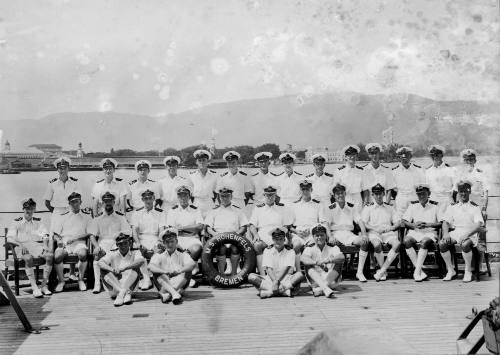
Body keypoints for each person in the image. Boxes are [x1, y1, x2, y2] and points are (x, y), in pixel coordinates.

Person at [320, 183, 370, 282]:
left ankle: (359, 272)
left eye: (342, 193)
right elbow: (326, 225)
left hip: (349, 234)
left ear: (345, 193)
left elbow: (360, 221)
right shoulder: (330, 208)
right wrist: (330, 237)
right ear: (334, 196)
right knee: (332, 244)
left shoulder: (352, 207)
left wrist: (364, 234)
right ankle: (337, 272)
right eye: (337, 194)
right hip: (336, 234)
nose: (340, 195)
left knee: (364, 242)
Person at [440, 180, 485, 282]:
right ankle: (451, 270)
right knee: (442, 244)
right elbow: (445, 222)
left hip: (471, 233)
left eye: (465, 191)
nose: (463, 194)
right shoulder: (453, 207)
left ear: (469, 192)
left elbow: (478, 224)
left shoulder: (474, 207)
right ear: (458, 192)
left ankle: (468, 271)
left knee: (465, 245)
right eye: (461, 191)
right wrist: (446, 233)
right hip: (456, 232)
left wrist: (467, 234)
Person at [7, 198, 52, 298]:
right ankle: (34, 287)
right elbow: (9, 238)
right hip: (21, 247)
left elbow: (45, 235)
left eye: (31, 208)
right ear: (23, 209)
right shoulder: (16, 222)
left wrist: (45, 244)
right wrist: (20, 245)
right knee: (28, 258)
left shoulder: (38, 222)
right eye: (27, 208)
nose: (29, 211)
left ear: (34, 209)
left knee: (49, 256)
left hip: (35, 246)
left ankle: (44, 286)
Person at [88, 191, 132, 293]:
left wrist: (119, 239)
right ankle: (97, 284)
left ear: (114, 202)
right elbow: (92, 235)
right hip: (102, 243)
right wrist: (96, 246)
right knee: (97, 256)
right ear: (102, 203)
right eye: (105, 201)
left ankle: (119, 281)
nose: (108, 203)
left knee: (117, 256)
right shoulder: (97, 218)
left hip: (117, 243)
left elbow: (127, 232)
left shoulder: (120, 217)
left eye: (110, 201)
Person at [247, 227, 304, 298]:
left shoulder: (290, 251)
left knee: (300, 275)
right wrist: (275, 282)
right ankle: (285, 292)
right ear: (272, 240)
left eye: (280, 239)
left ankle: (270, 292)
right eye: (276, 239)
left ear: (284, 240)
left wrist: (276, 281)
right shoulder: (267, 250)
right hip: (271, 279)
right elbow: (268, 269)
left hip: (285, 279)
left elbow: (286, 268)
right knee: (251, 277)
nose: (278, 242)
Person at [52, 192, 92, 292]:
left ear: (80, 202)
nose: (75, 204)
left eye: (77, 202)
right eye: (72, 202)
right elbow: (55, 234)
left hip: (79, 242)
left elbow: (90, 232)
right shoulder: (62, 216)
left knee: (83, 254)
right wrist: (59, 240)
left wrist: (75, 238)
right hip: (65, 243)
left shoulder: (86, 216)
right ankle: (61, 281)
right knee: (57, 256)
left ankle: (81, 280)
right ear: (69, 204)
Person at [249, 186, 293, 275]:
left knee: (284, 244)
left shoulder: (282, 208)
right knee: (258, 245)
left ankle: (283, 274)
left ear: (275, 196)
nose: (269, 197)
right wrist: (256, 235)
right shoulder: (258, 208)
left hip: (278, 233)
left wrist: (283, 234)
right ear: (264, 195)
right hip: (263, 233)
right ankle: (263, 275)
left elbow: (285, 225)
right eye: (267, 195)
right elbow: (252, 225)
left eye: (272, 195)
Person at [401, 184, 441, 281]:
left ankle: (417, 271)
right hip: (416, 231)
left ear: (429, 194)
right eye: (419, 194)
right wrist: (414, 225)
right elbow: (404, 221)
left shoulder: (435, 206)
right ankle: (420, 272)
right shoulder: (413, 205)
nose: (421, 196)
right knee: (406, 241)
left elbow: (441, 223)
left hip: (429, 232)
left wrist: (428, 225)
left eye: (423, 194)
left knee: (424, 242)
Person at [205, 186, 249, 275]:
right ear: (219, 197)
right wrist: (215, 234)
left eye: (227, 196)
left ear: (231, 197)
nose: (224, 198)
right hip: (218, 238)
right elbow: (208, 228)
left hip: (234, 238)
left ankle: (234, 274)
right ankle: (221, 274)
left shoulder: (238, 210)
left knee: (235, 249)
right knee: (221, 249)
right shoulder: (214, 211)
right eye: (222, 196)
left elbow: (244, 227)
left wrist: (235, 235)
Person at [361, 184, 401, 281]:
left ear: (384, 194)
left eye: (380, 194)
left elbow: (397, 222)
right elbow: (364, 223)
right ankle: (383, 270)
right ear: (373, 195)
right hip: (374, 233)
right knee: (377, 245)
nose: (378, 196)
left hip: (387, 232)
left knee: (397, 244)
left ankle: (382, 270)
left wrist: (391, 228)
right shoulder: (368, 207)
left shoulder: (390, 207)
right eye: (376, 194)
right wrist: (374, 229)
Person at [130, 189, 167, 290]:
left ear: (154, 198)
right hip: (141, 238)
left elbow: (162, 230)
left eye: (150, 198)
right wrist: (138, 243)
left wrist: (159, 242)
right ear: (142, 199)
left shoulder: (160, 212)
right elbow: (134, 230)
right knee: (139, 252)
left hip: (155, 238)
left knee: (159, 251)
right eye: (145, 198)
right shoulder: (137, 213)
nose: (148, 200)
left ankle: (156, 277)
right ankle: (146, 278)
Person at [148, 228, 196, 304]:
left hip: (179, 282)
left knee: (188, 270)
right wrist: (165, 272)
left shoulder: (182, 254)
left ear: (176, 242)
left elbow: (192, 264)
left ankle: (169, 294)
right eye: (167, 242)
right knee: (156, 271)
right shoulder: (159, 255)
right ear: (163, 243)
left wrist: (178, 271)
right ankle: (175, 293)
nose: (170, 244)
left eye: (172, 241)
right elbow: (150, 267)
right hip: (164, 283)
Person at [97, 233, 145, 307]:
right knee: (103, 269)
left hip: (131, 288)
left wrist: (125, 268)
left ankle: (121, 294)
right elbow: (100, 262)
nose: (123, 246)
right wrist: (112, 269)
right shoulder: (112, 253)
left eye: (125, 243)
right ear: (117, 245)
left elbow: (141, 261)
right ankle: (122, 292)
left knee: (136, 266)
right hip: (115, 288)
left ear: (129, 243)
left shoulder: (135, 252)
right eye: (120, 244)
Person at [301, 224, 345, 298]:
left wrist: (328, 261)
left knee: (339, 262)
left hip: (331, 280)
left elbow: (342, 257)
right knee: (307, 264)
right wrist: (316, 262)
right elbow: (303, 258)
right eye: (317, 236)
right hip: (315, 280)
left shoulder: (333, 246)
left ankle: (321, 288)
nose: (319, 237)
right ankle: (325, 288)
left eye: (322, 235)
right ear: (313, 237)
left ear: (326, 236)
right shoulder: (309, 247)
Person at [165, 185, 204, 270]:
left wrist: (182, 228)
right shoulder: (172, 211)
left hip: (192, 238)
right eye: (180, 196)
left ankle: (193, 266)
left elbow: (200, 226)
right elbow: (171, 229)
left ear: (189, 197)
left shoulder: (196, 210)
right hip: (177, 238)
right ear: (177, 197)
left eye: (185, 195)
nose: (183, 198)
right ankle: (184, 268)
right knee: (171, 246)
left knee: (196, 249)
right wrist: (192, 228)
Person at [289, 180, 321, 272]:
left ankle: (313, 271)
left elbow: (321, 222)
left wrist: (311, 230)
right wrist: (296, 232)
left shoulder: (317, 205)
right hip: (298, 233)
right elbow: (289, 225)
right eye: (303, 189)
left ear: (311, 189)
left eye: (307, 189)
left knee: (313, 245)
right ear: (300, 190)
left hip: (312, 233)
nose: (305, 191)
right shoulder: (294, 205)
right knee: (296, 245)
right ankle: (298, 271)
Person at [43, 157, 81, 233]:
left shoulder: (75, 182)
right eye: (60, 168)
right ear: (57, 169)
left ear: (68, 169)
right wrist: (56, 212)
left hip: (71, 211)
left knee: (71, 233)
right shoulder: (52, 183)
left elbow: (79, 200)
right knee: (56, 235)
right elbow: (47, 202)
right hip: (57, 212)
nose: (62, 170)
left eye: (64, 168)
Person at [392, 146, 426, 216]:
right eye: (403, 158)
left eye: (407, 157)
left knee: (415, 219)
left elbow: (424, 187)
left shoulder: (418, 170)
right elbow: (392, 190)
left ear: (410, 157)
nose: (405, 160)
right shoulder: (394, 171)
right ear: (399, 158)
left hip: (414, 197)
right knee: (401, 221)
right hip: (401, 199)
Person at [333, 145, 369, 211]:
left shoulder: (361, 171)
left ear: (356, 156)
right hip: (345, 199)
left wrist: (365, 204)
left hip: (358, 200)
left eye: (353, 155)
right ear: (346, 157)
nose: (351, 157)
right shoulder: (339, 171)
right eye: (349, 155)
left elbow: (366, 190)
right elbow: (335, 190)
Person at [188, 149, 219, 218]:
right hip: (196, 203)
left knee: (210, 225)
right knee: (197, 225)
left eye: (204, 160)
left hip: (209, 203)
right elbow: (189, 193)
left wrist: (216, 205)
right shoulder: (191, 175)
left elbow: (217, 192)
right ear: (196, 162)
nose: (202, 162)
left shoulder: (214, 175)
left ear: (208, 162)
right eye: (199, 160)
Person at [425, 145, 455, 216]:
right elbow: (427, 188)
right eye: (432, 155)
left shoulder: (450, 169)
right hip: (433, 201)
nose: (434, 157)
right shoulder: (428, 171)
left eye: (436, 155)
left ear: (441, 155)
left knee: (448, 224)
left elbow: (455, 189)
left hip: (447, 201)